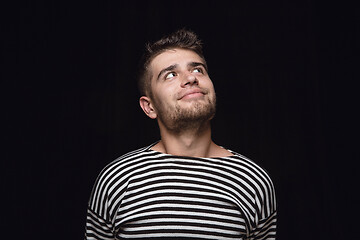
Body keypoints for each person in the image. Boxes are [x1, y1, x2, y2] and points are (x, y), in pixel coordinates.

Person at [85, 29, 277, 240]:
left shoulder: (252, 181)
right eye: (170, 75)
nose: (190, 79)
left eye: (198, 70)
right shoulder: (118, 179)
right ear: (149, 107)